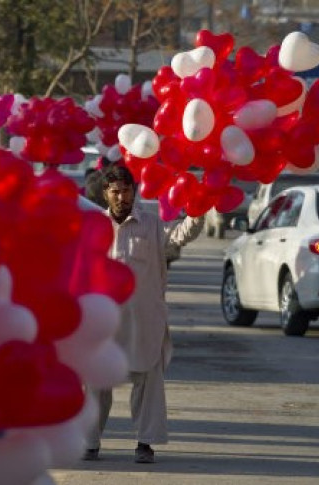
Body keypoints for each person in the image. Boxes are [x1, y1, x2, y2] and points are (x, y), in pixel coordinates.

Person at [85, 163, 203, 464]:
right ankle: (89, 442)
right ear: (105, 194)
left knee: (148, 380)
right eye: (115, 192)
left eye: (126, 191)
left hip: (144, 320)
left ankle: (145, 443)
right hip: (105, 321)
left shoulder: (151, 224)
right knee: (96, 380)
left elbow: (178, 237)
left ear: (133, 191)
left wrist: (198, 210)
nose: (121, 198)